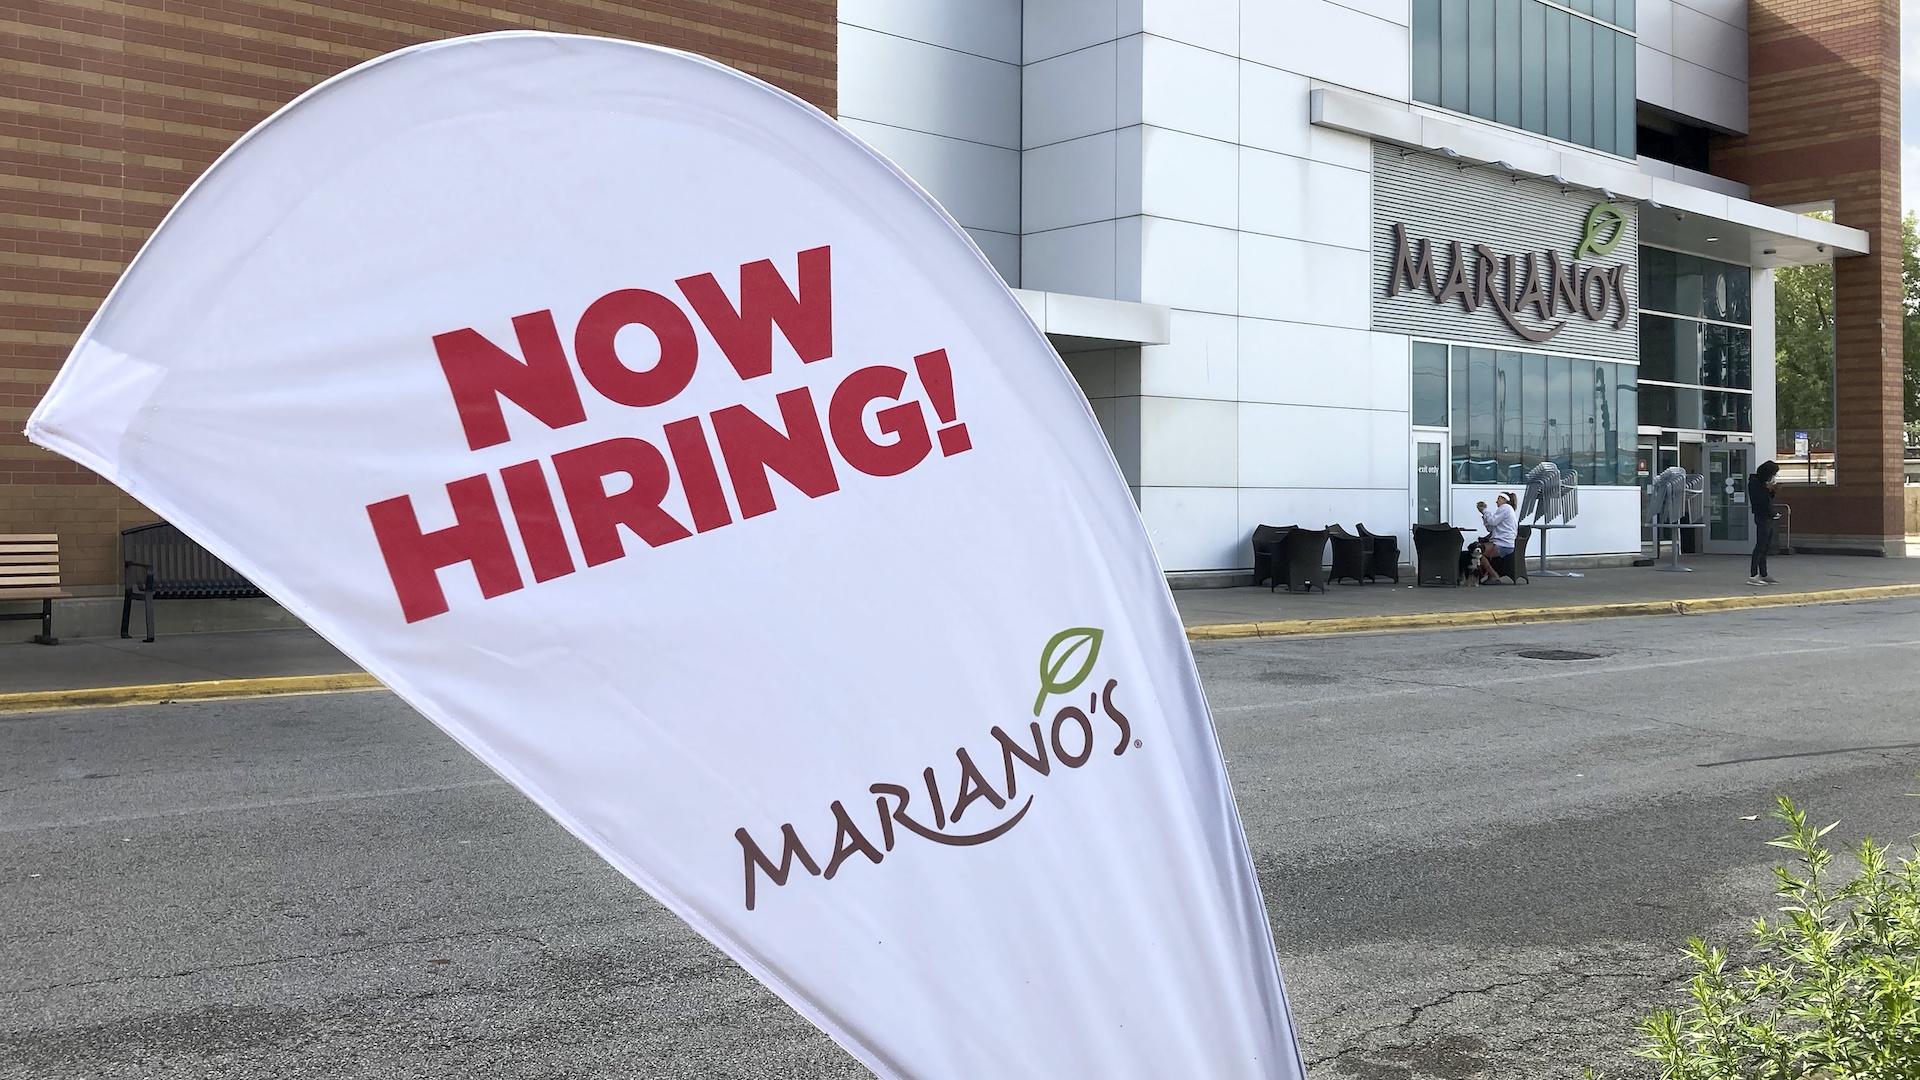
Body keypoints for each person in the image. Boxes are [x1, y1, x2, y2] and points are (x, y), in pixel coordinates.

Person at [1749, 460, 1780, 586]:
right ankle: (1753, 574)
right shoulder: (1755, 484)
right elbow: (1761, 501)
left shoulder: (1762, 484)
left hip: (1768, 516)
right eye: (1773, 474)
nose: (1773, 477)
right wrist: (1768, 489)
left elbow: (1768, 499)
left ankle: (1763, 573)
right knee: (1760, 546)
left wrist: (1771, 491)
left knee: (1766, 546)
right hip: (1762, 516)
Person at [1476, 493, 1519, 582]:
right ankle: (1489, 575)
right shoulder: (1505, 510)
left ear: (1504, 499)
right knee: (1479, 548)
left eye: (1498, 499)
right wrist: (1484, 514)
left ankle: (1494, 575)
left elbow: (1492, 521)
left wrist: (1485, 511)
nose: (1496, 501)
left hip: (1502, 544)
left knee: (1477, 551)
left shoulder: (1505, 507)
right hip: (1505, 543)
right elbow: (1490, 528)